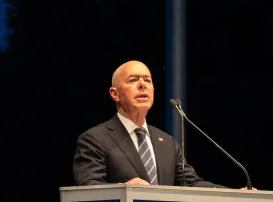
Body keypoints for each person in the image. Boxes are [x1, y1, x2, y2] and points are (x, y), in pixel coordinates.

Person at [73, 60, 216, 187]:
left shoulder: (168, 143)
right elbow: (88, 187)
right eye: (133, 80)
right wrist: (123, 188)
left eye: (147, 80)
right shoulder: (95, 139)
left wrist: (234, 193)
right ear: (114, 94)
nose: (142, 85)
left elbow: (191, 183)